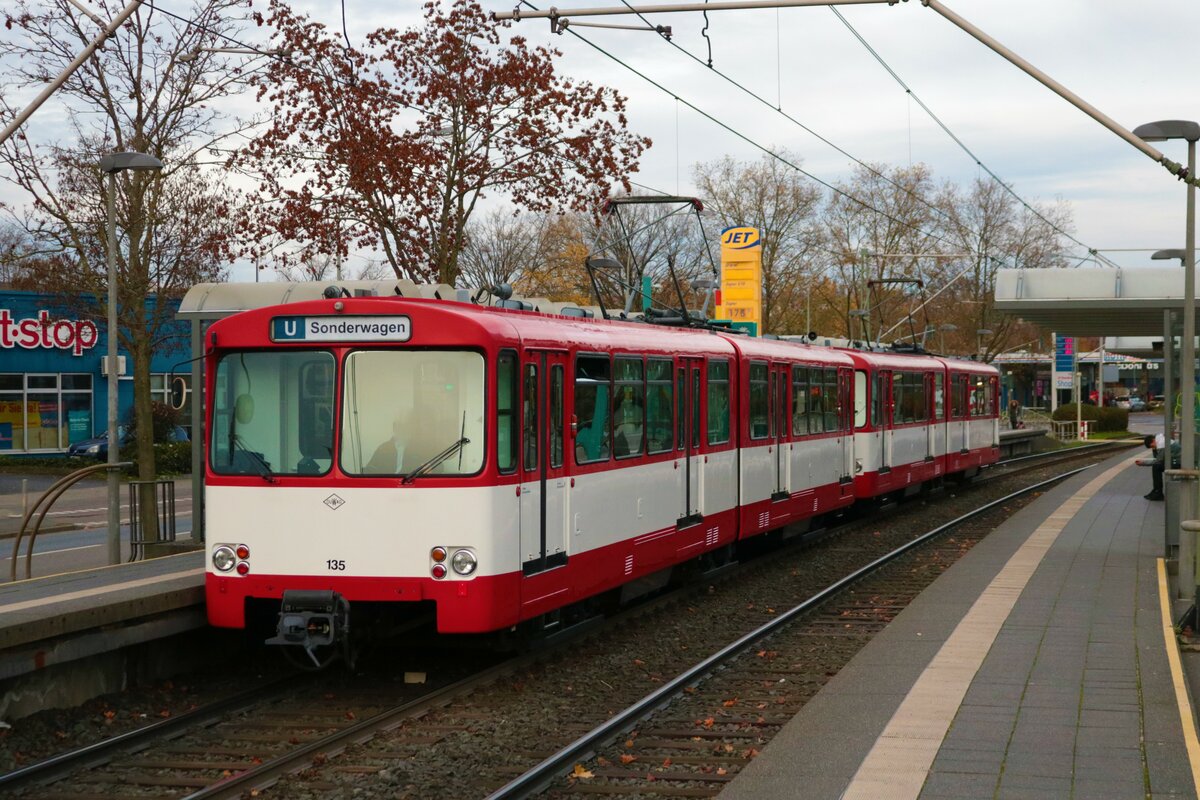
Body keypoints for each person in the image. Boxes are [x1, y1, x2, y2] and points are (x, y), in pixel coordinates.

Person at [1137, 432, 1180, 501]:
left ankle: (1158, 492)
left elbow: (1158, 460)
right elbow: (1157, 458)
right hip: (1174, 460)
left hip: (1177, 462)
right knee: (1156, 466)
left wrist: (1143, 463)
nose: (1153, 448)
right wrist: (1154, 449)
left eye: (1152, 446)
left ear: (1153, 441)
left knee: (1156, 467)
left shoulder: (1161, 444)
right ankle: (1156, 491)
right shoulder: (1160, 440)